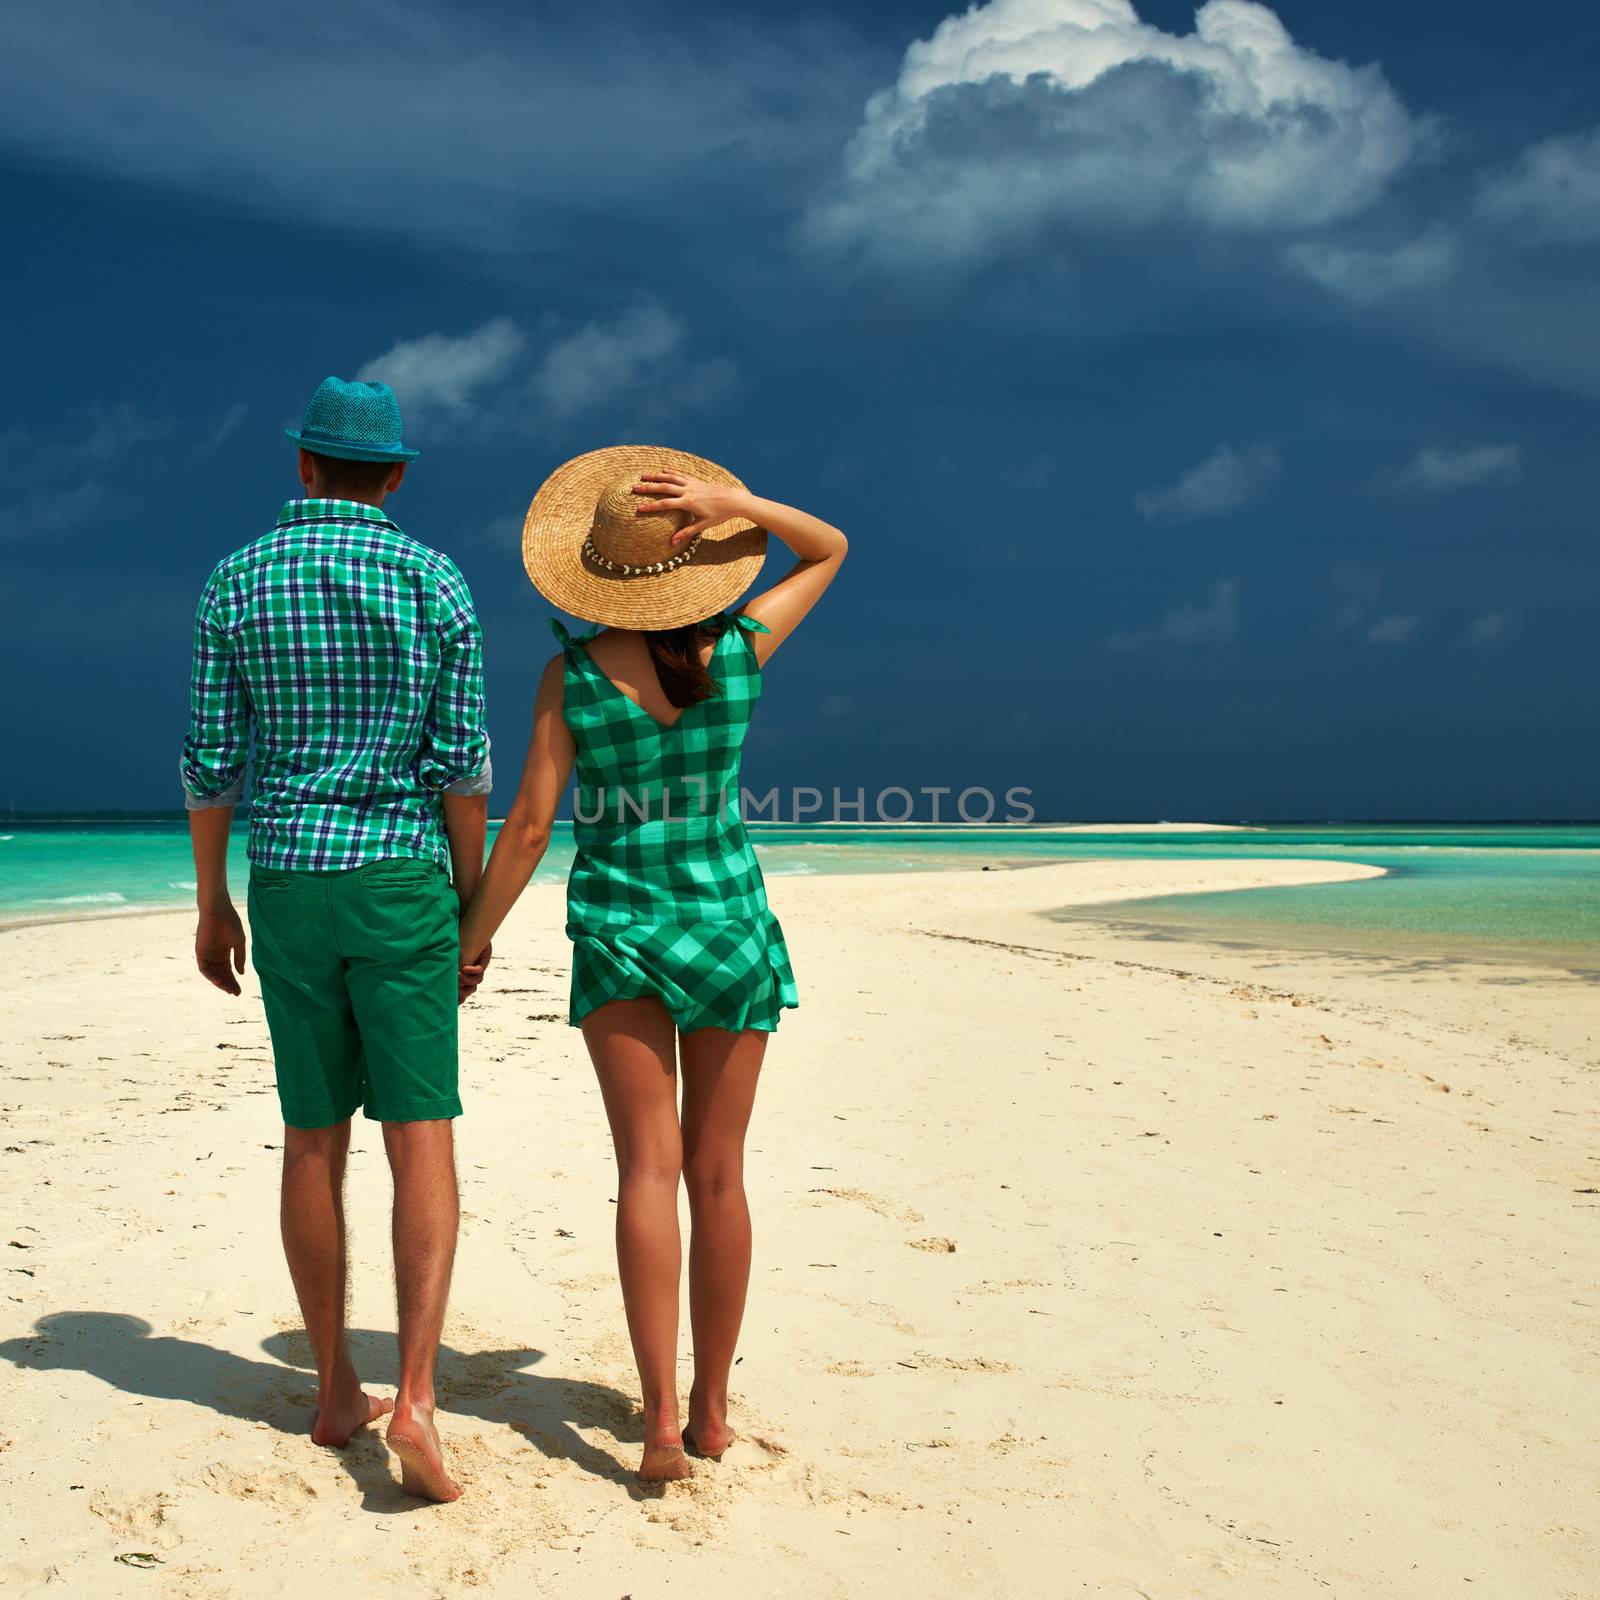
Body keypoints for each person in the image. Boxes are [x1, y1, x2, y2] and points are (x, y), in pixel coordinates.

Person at [456, 445, 846, 1481]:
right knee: (719, 1176)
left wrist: (471, 938)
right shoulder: (741, 647)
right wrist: (737, 503)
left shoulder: (573, 676)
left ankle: (662, 1421)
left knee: (647, 1170)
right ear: (698, 563)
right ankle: (715, 1412)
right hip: (728, 925)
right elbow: (830, 547)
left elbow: (532, 826)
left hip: (624, 928)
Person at [179, 376, 492, 1503]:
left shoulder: (237, 578)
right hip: (401, 874)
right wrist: (471, 898)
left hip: (292, 881)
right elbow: (461, 764)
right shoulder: (435, 579)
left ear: (303, 466)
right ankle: (414, 1393)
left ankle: (328, 1388)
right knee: (422, 1135)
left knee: (311, 1136)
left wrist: (214, 898)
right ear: (396, 476)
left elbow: (213, 758)